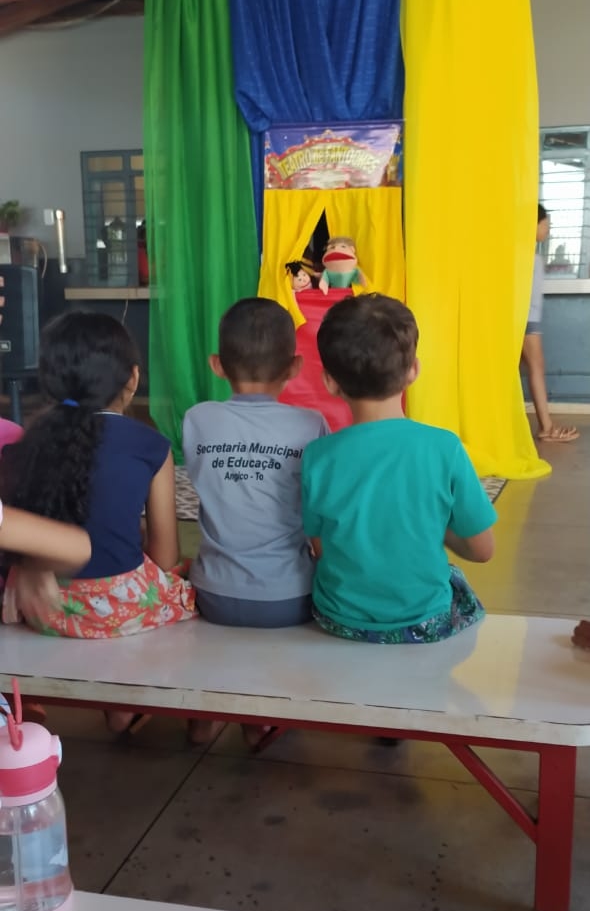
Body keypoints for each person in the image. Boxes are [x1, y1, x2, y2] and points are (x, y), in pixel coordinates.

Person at [0, 311, 196, 735]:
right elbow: (165, 557)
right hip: (117, 611)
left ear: (49, 380)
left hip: (40, 608)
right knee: (186, 586)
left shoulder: (22, 445)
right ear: (133, 379)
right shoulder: (151, 445)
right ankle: (129, 703)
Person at [301, 294, 496, 644]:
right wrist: (437, 526)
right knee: (454, 579)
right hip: (423, 622)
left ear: (330, 381)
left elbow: (321, 549)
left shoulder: (318, 455)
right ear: (413, 370)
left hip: (340, 620)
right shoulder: (445, 447)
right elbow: (482, 551)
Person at [183, 297, 329, 630]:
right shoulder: (311, 424)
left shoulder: (197, 419)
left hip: (212, 596)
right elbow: (320, 516)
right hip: (293, 598)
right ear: (295, 367)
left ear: (216, 365)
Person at [521, 204, 578, 444]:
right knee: (537, 367)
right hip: (527, 321)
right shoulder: (526, 257)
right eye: (545, 224)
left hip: (528, 320)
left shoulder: (529, 256)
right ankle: (546, 427)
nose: (548, 230)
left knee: (528, 369)